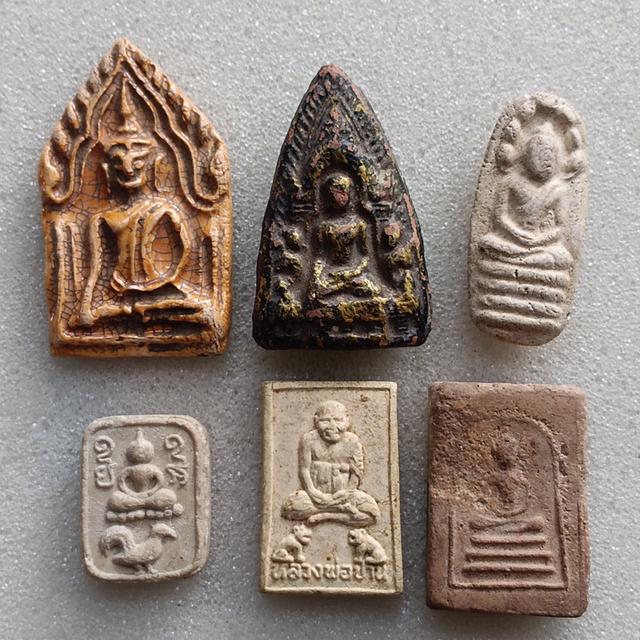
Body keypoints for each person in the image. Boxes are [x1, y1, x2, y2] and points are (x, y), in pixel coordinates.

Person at [281, 400, 380, 526]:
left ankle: (326, 516)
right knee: (290, 507)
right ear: (316, 421)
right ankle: (339, 510)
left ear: (347, 421)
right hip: (314, 497)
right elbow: (304, 469)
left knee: (372, 513)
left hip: (345, 496)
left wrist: (347, 493)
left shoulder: (352, 441)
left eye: (338, 420)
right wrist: (313, 492)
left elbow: (357, 472)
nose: (332, 426)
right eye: (325, 421)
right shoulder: (309, 439)